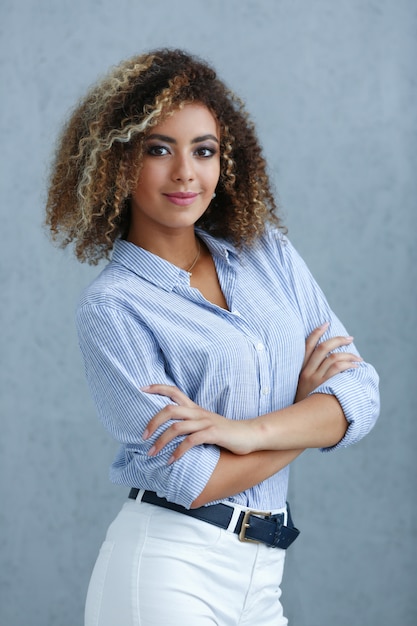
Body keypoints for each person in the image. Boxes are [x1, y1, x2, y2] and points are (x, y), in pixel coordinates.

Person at [45, 48, 379, 626]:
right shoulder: (113, 306)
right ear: (117, 164)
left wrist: (245, 433)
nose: (185, 174)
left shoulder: (267, 254)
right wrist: (308, 413)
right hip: (169, 571)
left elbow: (362, 396)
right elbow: (192, 479)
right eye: (158, 150)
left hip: (263, 574)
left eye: (204, 151)